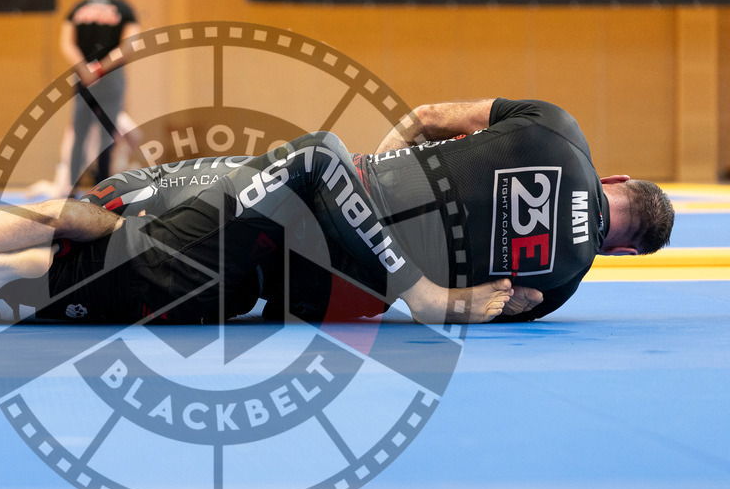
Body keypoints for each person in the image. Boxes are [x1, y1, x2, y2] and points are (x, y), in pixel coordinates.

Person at [80, 98, 675, 322]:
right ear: (624, 251)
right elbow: (488, 303)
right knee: (226, 285)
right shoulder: (561, 286)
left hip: (329, 199)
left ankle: (39, 252)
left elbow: (424, 118)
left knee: (142, 202)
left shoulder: (557, 128)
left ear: (615, 179)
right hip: (337, 294)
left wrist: (371, 172)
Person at [0, 133, 518, 326]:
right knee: (316, 155)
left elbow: (34, 273)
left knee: (292, 247)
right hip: (158, 258)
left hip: (170, 298)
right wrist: (101, 214)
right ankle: (426, 297)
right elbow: (62, 220)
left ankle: (480, 281)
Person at [61, 0, 140, 191]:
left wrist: (84, 68)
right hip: (109, 77)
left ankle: (71, 189)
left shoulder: (79, 7)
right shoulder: (124, 9)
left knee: (79, 134)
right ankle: (101, 190)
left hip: (83, 78)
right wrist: (101, 67)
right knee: (107, 136)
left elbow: (66, 43)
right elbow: (129, 44)